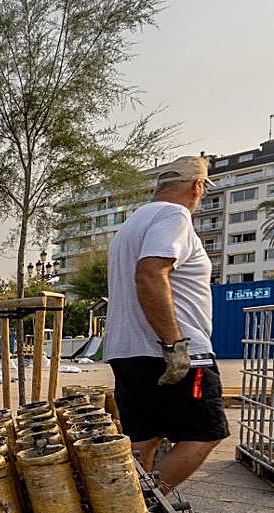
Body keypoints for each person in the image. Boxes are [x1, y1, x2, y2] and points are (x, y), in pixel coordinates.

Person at [104, 155, 229, 491]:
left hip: (127, 351)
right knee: (202, 435)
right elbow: (150, 274)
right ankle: (139, 510)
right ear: (197, 186)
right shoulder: (175, 216)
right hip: (169, 352)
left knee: (143, 441)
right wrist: (174, 344)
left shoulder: (129, 226)